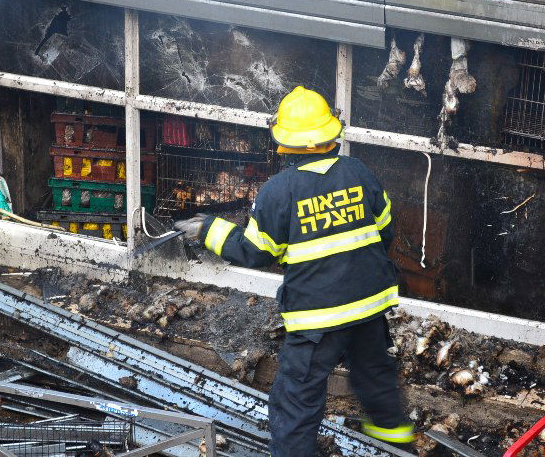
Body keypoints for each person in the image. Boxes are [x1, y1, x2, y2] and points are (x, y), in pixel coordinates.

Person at [173, 86, 413, 456]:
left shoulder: (278, 191)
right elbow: (385, 229)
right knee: (376, 380)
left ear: (285, 145)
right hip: (369, 305)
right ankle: (396, 445)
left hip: (318, 317)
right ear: (332, 135)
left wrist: (209, 229)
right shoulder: (359, 171)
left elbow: (256, 252)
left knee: (296, 403)